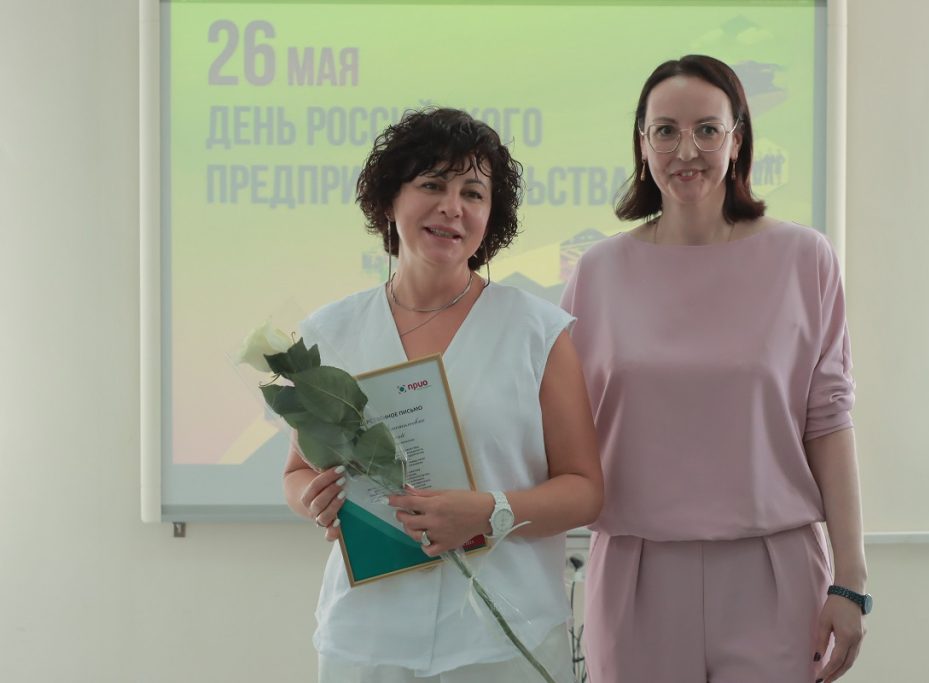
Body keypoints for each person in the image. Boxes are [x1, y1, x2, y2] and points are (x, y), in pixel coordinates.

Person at [561, 55, 868, 683]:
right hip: (636, 571)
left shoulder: (804, 258)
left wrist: (852, 580)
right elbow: (559, 426)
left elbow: (829, 423)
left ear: (738, 139)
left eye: (707, 129)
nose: (687, 150)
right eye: (665, 130)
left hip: (774, 570)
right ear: (642, 144)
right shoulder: (598, 271)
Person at [282, 107, 603, 683]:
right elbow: (298, 472)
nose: (453, 207)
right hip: (368, 636)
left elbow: (584, 491)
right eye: (432, 184)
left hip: (504, 638)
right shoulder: (331, 332)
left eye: (472, 193)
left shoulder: (538, 332)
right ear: (390, 199)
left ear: (490, 216)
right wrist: (315, 501)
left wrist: (492, 513)